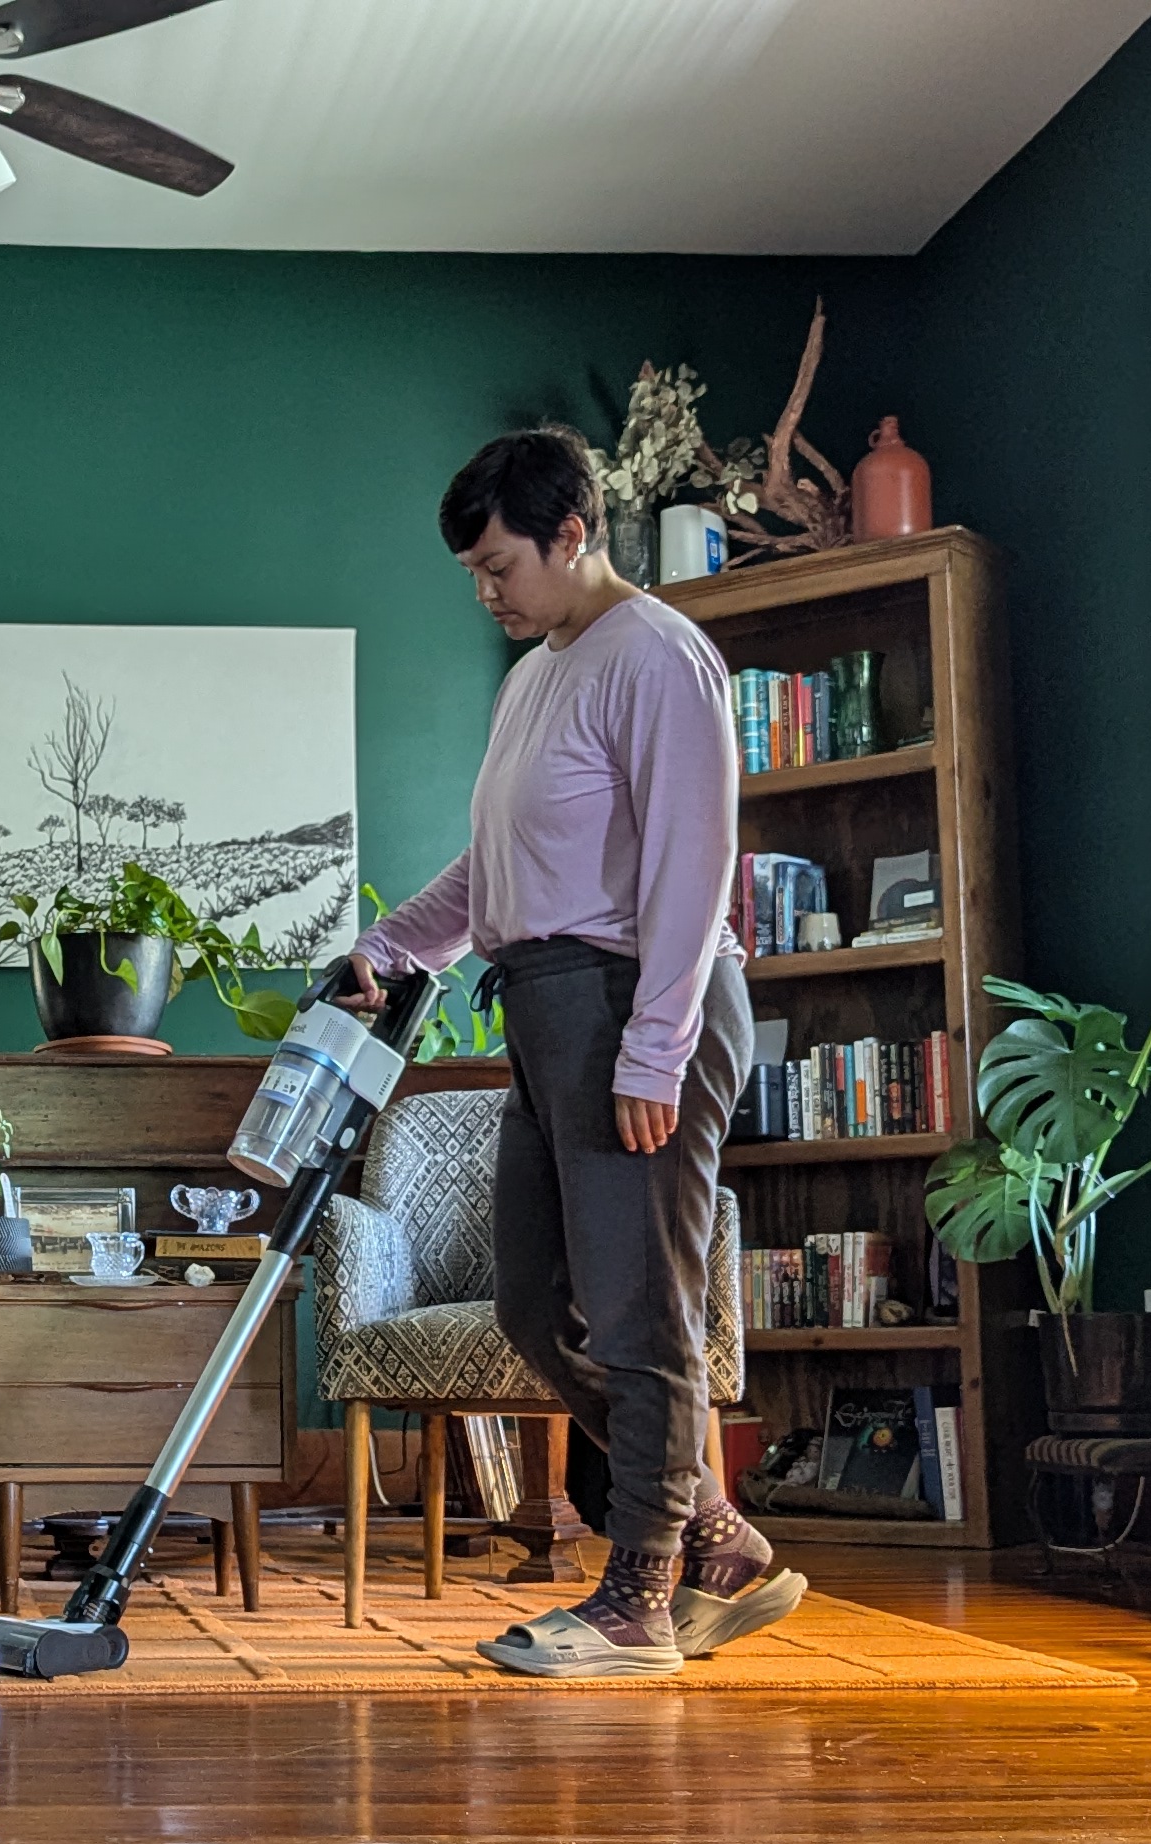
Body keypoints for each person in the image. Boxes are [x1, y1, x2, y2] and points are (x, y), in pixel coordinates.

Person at [336, 427, 806, 1677]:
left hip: (633, 1006)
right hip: (545, 1007)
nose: (486, 593)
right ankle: (707, 1524)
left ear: (573, 533)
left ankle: (642, 1595)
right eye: (473, 575)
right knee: (533, 1305)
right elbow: (499, 868)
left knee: (640, 1306)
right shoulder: (538, 673)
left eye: (499, 567)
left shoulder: (659, 655)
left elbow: (696, 863)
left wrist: (656, 1050)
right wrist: (396, 943)